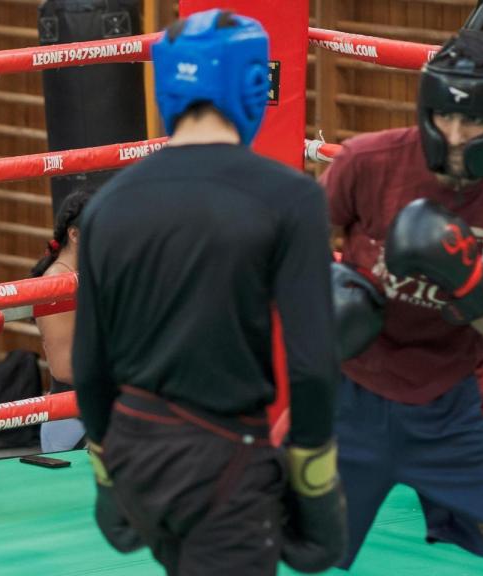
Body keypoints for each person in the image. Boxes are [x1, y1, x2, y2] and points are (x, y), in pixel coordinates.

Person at [73, 10, 345, 575]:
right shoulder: (289, 197)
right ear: (253, 85)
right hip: (223, 459)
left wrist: (107, 477)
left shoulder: (107, 206)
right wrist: (314, 484)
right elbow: (313, 365)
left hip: (135, 452)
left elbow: (91, 366)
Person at [321, 30, 483, 576]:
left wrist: (468, 283)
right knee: (270, 538)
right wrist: (329, 298)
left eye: (472, 122)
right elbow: (299, 245)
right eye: (442, 119)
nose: (453, 136)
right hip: (351, 392)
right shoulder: (367, 162)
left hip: (456, 404)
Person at [31, 190, 92, 453]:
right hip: (73, 418)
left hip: (95, 405)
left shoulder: (86, 274)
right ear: (74, 235)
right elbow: (65, 367)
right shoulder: (56, 283)